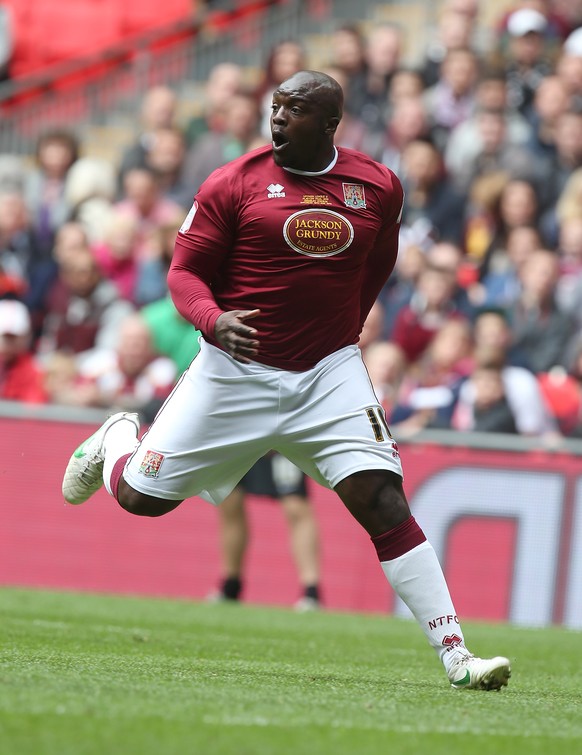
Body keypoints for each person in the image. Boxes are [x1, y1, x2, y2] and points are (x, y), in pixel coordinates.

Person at [62, 70, 510, 691]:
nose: (276, 118)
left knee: (383, 501)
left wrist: (343, 335)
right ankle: (116, 439)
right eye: (275, 106)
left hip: (328, 373)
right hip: (234, 372)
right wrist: (213, 320)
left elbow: (378, 265)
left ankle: (459, 657)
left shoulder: (377, 186)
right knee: (143, 499)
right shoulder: (232, 183)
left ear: (329, 124)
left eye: (292, 110)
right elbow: (183, 274)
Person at [210, 453, 322, 612]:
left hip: (280, 439)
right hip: (241, 438)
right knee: (229, 500)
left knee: (295, 506)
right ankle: (230, 586)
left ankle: (312, 592)